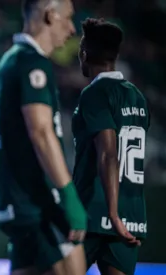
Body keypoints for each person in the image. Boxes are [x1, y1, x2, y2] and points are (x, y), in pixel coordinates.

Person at [0, 0, 88, 274]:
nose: (71, 29)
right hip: (37, 203)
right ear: (49, 14)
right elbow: (42, 132)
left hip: (18, 200)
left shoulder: (11, 60)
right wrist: (69, 196)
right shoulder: (31, 62)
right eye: (68, 18)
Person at [72, 18, 150, 275]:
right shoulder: (136, 96)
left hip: (93, 212)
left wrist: (112, 214)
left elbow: (108, 153)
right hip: (130, 216)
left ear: (84, 54)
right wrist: (120, 217)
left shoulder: (95, 93)